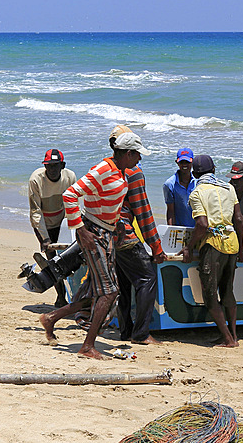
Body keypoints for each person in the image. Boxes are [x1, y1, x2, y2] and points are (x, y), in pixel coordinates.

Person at [39, 131, 149, 359]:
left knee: (100, 291)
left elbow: (109, 200)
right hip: (93, 232)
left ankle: (51, 318)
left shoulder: (122, 172)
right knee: (109, 292)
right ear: (127, 153)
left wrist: (117, 222)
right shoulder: (103, 169)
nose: (139, 159)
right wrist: (79, 229)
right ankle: (87, 346)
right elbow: (70, 195)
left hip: (106, 232)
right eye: (137, 154)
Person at [181, 154, 243, 348]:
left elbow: (202, 225)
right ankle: (233, 335)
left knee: (210, 295)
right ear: (214, 170)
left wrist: (189, 246)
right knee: (228, 291)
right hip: (232, 243)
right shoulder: (228, 188)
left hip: (213, 245)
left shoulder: (197, 193)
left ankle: (227, 339)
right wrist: (242, 248)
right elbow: (239, 219)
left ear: (194, 173)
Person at [109, 125, 167, 345]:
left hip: (109, 233)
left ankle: (126, 330)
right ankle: (141, 334)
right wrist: (156, 247)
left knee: (124, 283)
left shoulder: (108, 167)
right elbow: (143, 212)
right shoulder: (134, 173)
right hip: (125, 234)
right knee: (146, 278)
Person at [27, 149, 77, 307]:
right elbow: (36, 212)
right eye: (48, 166)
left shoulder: (70, 177)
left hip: (60, 221)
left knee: (69, 258)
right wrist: (45, 238)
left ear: (62, 165)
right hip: (43, 224)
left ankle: (73, 293)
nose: (52, 170)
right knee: (52, 260)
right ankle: (61, 295)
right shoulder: (36, 180)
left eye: (55, 166)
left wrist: (76, 229)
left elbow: (73, 204)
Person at [163, 147, 196, 227]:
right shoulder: (169, 184)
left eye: (187, 162)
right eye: (181, 162)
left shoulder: (197, 182)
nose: (184, 165)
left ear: (192, 162)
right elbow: (170, 211)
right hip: (180, 228)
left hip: (197, 228)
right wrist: (171, 231)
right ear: (177, 163)